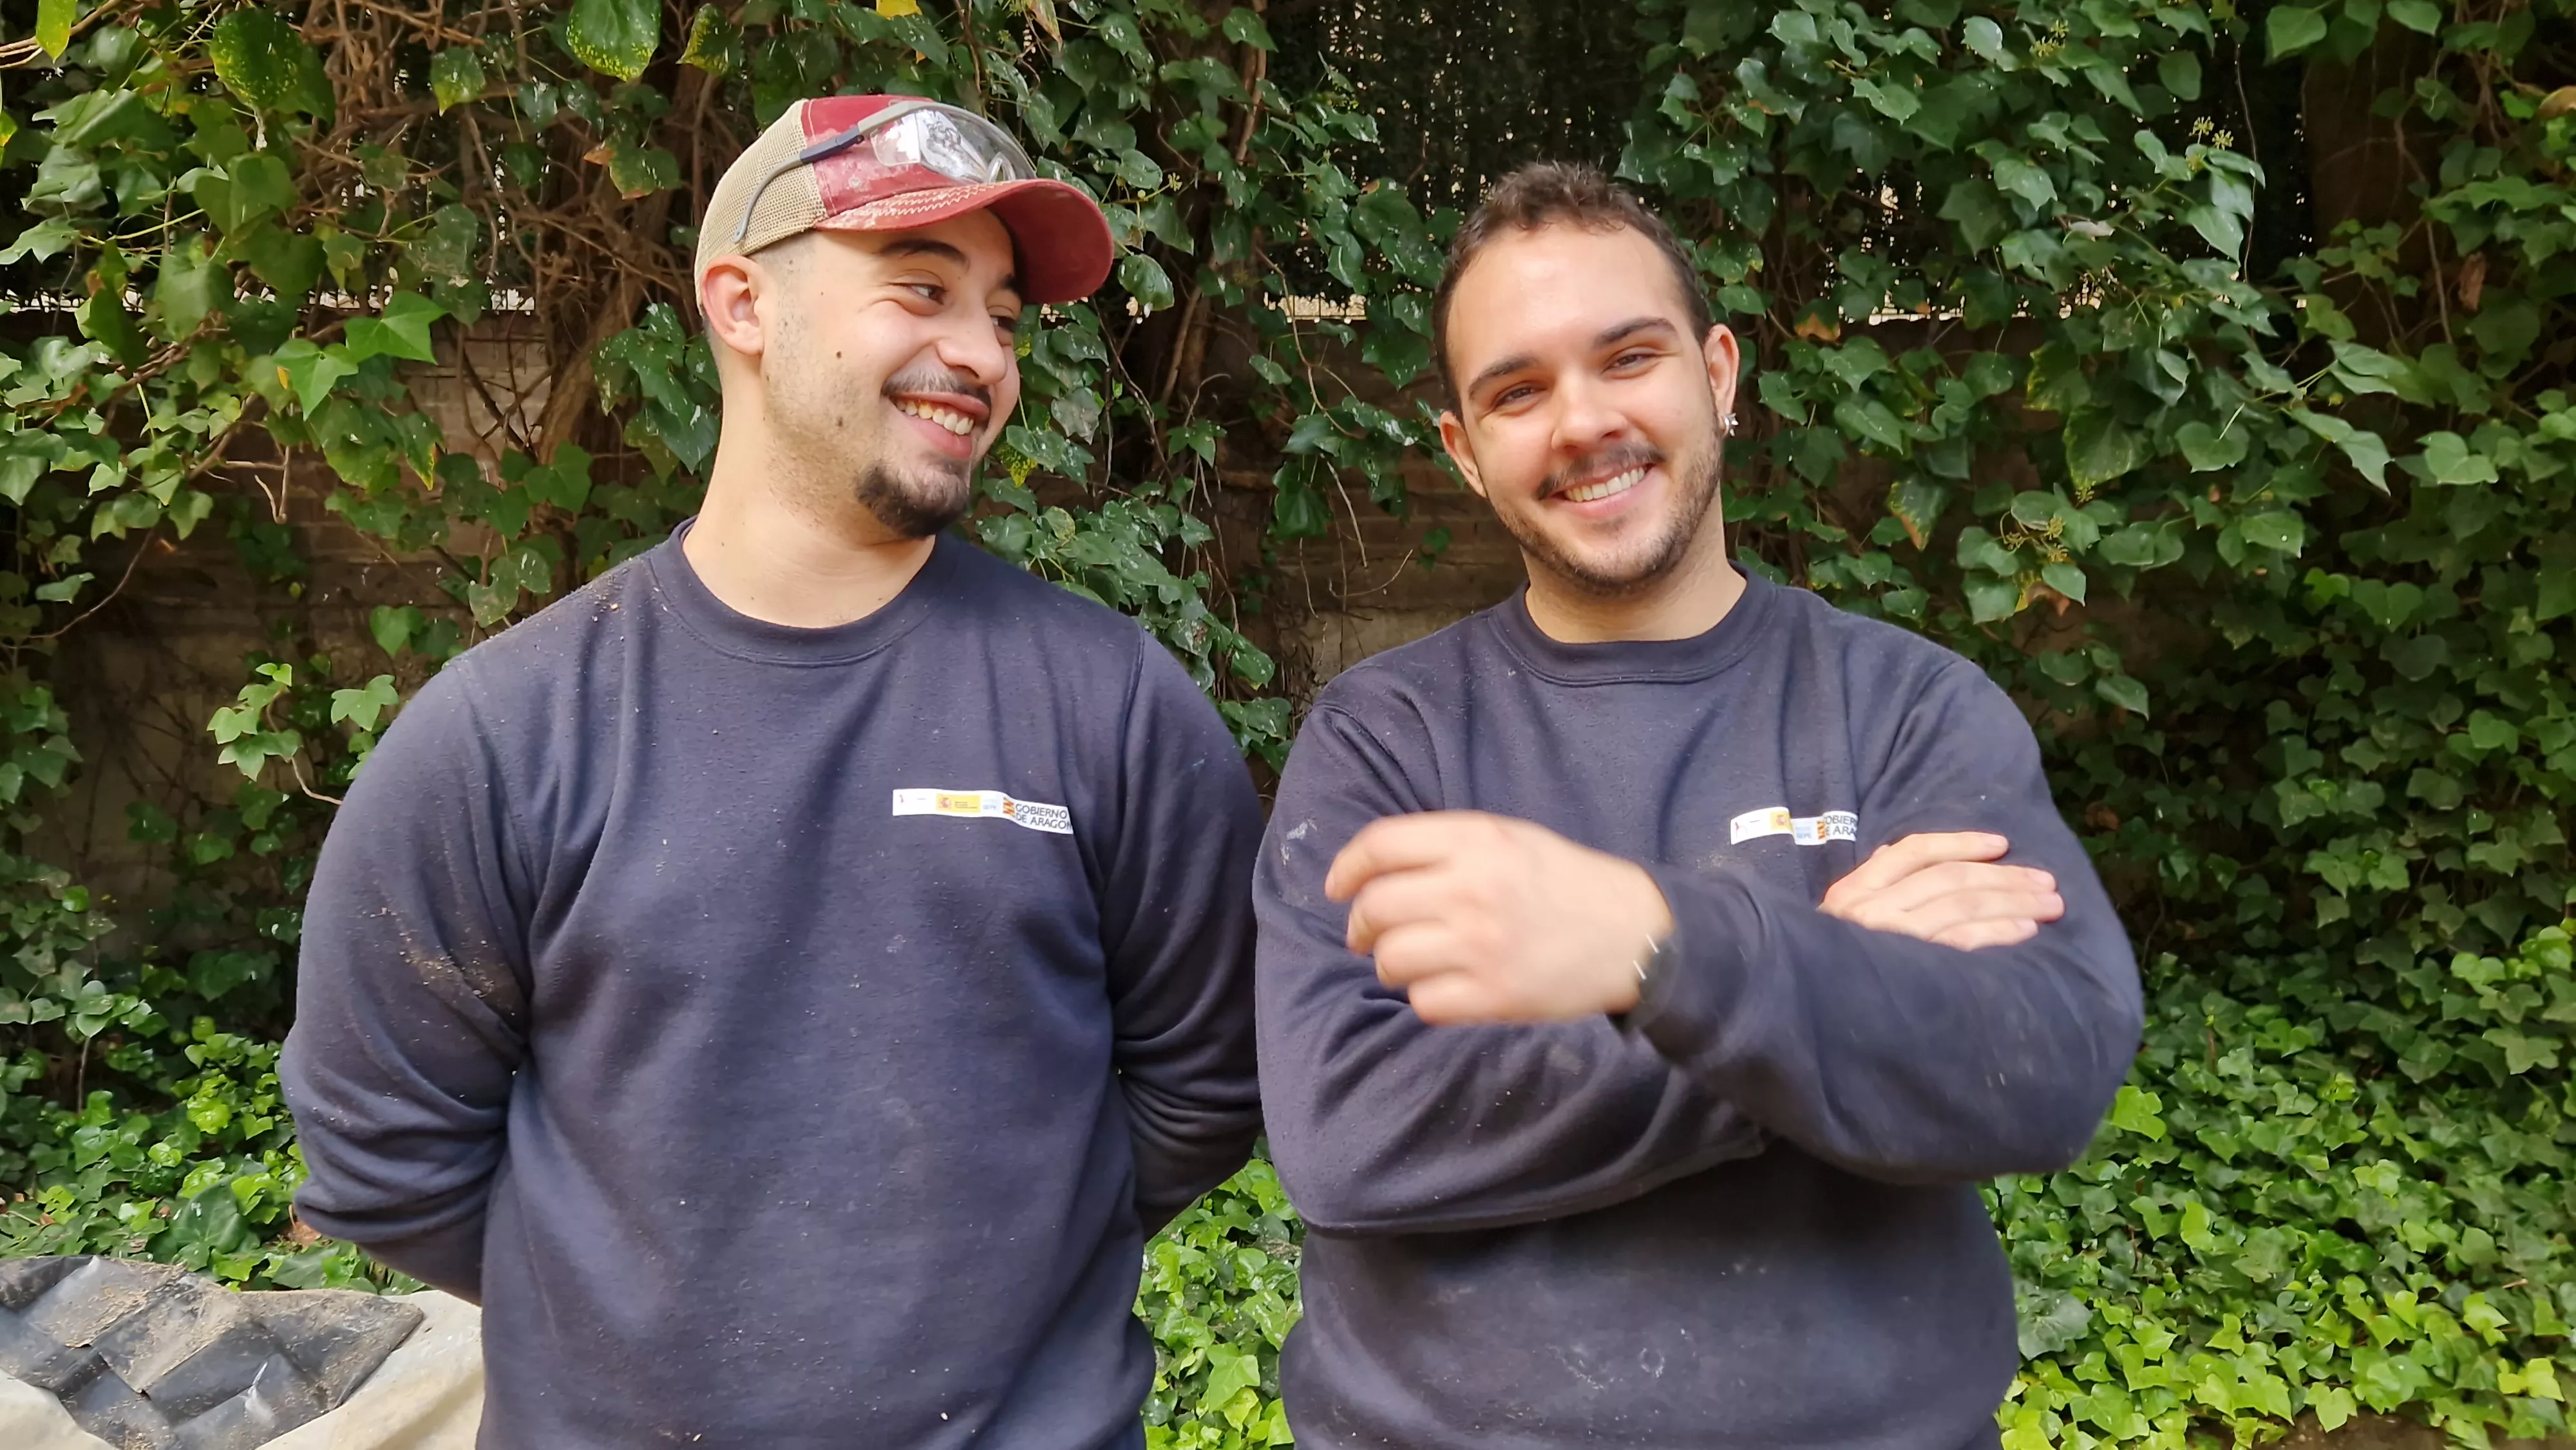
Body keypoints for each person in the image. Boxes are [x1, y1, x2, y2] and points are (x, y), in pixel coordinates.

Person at [281, 95, 1265, 1449]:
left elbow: (1205, 1086)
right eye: (920, 287)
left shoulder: (1113, 708)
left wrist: (998, 1271)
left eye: (1000, 314)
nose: (978, 352)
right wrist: (643, 1312)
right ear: (741, 304)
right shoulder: (507, 733)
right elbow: (388, 1157)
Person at [1253, 162, 2143, 1448]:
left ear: (1716, 373)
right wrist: (1816, 982)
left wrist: (1651, 945)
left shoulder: (1901, 708)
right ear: (1461, 449)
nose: (1579, 422)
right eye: (1515, 390)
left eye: (1627, 357)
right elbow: (1350, 1135)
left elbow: (2040, 1062)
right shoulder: (1385, 740)